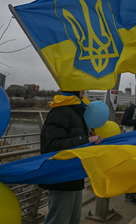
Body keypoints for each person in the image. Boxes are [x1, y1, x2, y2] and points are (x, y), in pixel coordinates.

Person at [39, 91, 103, 224]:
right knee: (58, 219)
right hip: (61, 177)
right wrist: (86, 139)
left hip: (74, 175)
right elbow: (53, 144)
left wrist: (90, 136)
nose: (84, 90)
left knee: (73, 220)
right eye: (81, 87)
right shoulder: (60, 111)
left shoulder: (76, 111)